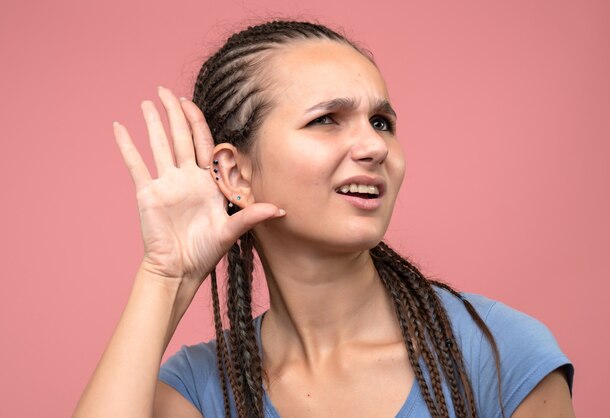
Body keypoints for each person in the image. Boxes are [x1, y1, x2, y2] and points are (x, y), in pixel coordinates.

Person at [73, 20, 575, 418]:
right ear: (234, 173)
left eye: (382, 122)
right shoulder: (198, 391)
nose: (376, 146)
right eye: (326, 120)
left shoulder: (500, 353)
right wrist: (166, 275)